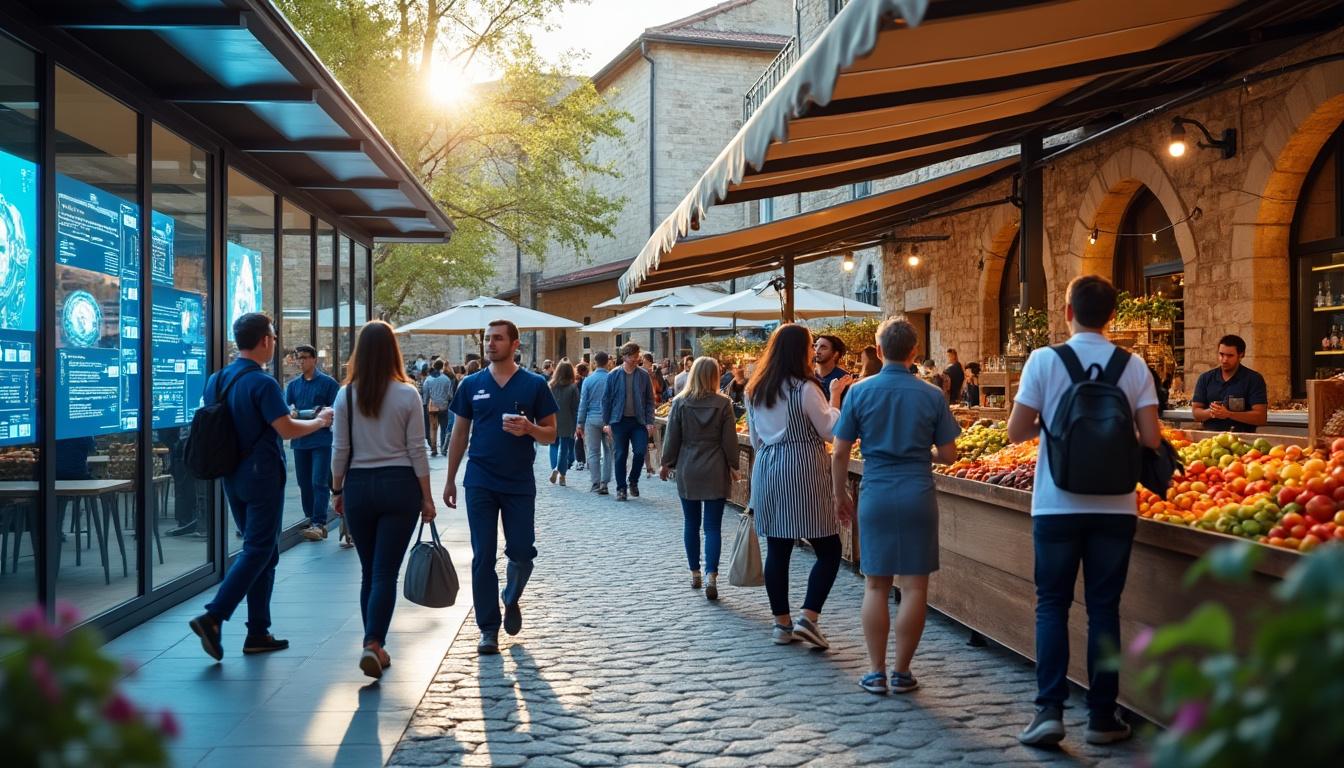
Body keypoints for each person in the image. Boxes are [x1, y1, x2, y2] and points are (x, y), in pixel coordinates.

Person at [1006, 275, 1162, 747]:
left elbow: (1016, 431)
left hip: (1056, 504)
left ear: (1068, 311)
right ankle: (1102, 717)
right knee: (1104, 609)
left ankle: (1050, 711)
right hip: (1116, 507)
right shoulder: (1133, 366)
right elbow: (1151, 440)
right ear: (1112, 316)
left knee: (1051, 604)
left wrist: (1056, 431)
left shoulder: (1044, 360)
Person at [189, 313, 333, 661]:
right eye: (273, 335)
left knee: (264, 553)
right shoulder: (263, 383)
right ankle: (214, 615)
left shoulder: (217, 379)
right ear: (265, 340)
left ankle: (258, 631)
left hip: (231, 475)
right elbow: (285, 428)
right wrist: (320, 421)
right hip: (262, 475)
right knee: (258, 548)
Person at [833, 319, 960, 696]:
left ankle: (876, 671)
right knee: (915, 586)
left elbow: (840, 451)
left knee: (875, 584)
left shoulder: (858, 392)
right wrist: (922, 450)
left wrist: (839, 494)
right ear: (914, 352)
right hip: (918, 490)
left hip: (876, 490)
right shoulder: (932, 395)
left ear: (878, 347)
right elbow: (950, 454)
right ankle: (903, 671)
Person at [444, 319, 558, 655]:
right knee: (482, 556)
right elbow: (459, 434)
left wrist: (529, 428)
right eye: (487, 339)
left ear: (515, 344)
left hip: (519, 481)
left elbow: (552, 432)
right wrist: (450, 478)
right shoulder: (471, 384)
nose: (490, 344)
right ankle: (488, 629)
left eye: (497, 339)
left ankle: (511, 595)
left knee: (522, 552)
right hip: (479, 479)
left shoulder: (535, 384)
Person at [330, 321, 435, 679]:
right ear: (394, 351)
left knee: (368, 570)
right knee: (385, 572)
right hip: (399, 486)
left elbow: (340, 448)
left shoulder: (346, 394)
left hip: (359, 486)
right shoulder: (408, 394)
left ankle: (372, 643)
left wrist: (337, 489)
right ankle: (374, 643)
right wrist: (427, 496)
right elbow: (417, 450)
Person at [747, 324, 852, 649]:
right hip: (802, 465)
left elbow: (754, 440)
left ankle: (782, 624)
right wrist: (834, 397)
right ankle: (809, 615)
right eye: (809, 345)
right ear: (798, 350)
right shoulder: (805, 388)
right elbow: (830, 431)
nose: (812, 351)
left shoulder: (755, 388)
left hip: (767, 466)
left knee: (778, 548)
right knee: (829, 547)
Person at [660, 356, 738, 601]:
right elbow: (729, 440)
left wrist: (666, 463)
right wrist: (734, 466)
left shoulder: (680, 402)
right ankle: (711, 575)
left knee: (691, 524)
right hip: (715, 466)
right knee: (713, 527)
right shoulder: (724, 403)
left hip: (688, 466)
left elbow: (672, 437)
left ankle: (694, 572)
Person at [285, 344, 340, 541]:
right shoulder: (292, 386)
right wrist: (305, 412)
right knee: (304, 483)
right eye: (298, 357)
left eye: (304, 357)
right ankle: (311, 518)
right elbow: (287, 409)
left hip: (321, 440)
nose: (300, 361)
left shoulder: (328, 383)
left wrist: (303, 413)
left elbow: (333, 410)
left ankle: (319, 522)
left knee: (318, 481)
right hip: (300, 440)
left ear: (314, 359)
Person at [601, 342, 656, 502]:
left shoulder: (643, 375)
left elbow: (649, 400)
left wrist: (650, 421)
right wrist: (606, 423)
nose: (635, 359)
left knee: (640, 451)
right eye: (632, 356)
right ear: (624, 357)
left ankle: (633, 480)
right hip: (619, 421)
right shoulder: (613, 375)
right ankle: (621, 489)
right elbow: (606, 400)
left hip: (638, 421)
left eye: (637, 356)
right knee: (620, 455)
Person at [1190, 334, 1268, 433]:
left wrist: (1229, 414)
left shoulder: (1253, 379)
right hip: (1210, 441)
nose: (1224, 360)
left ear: (1241, 355)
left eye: (1230, 355)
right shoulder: (1205, 378)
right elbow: (1196, 413)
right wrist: (1212, 412)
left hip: (1242, 441)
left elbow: (1261, 418)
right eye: (1221, 354)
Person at [578, 351, 614, 494]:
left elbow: (583, 403)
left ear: (594, 363)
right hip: (609, 419)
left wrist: (580, 422)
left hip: (591, 418)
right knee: (608, 451)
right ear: (608, 362)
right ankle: (605, 482)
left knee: (593, 452)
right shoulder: (612, 378)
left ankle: (595, 482)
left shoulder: (588, 380)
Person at [548, 361, 580, 486]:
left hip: (552, 419)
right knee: (564, 448)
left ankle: (554, 468)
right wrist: (577, 423)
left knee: (554, 446)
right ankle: (561, 474)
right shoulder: (573, 387)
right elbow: (575, 407)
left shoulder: (550, 386)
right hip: (568, 420)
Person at [422, 359, 455, 457]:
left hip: (432, 407)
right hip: (444, 406)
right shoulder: (446, 379)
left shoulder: (428, 379)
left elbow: (426, 394)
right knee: (444, 427)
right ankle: (443, 449)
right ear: (441, 367)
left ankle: (433, 448)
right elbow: (450, 395)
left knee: (433, 428)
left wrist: (425, 403)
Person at [641, 352, 664, 477]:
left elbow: (657, 389)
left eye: (645, 361)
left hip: (652, 409)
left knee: (651, 441)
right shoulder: (642, 374)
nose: (643, 363)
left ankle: (651, 465)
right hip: (646, 410)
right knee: (646, 441)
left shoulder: (653, 375)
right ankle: (649, 465)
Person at [573, 363, 589, 472]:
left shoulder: (574, 383)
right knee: (590, 439)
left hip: (578, 412)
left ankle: (580, 461)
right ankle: (589, 460)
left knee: (579, 437)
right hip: (588, 412)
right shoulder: (588, 381)